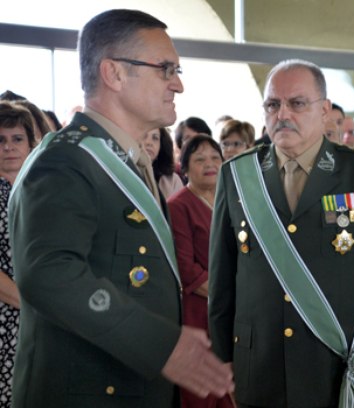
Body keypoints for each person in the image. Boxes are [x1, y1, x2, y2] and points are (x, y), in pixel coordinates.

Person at [8, 9, 233, 407]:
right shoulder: (66, 161)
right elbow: (49, 273)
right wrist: (162, 344)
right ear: (113, 74)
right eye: (166, 69)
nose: (177, 84)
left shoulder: (124, 162)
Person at [209, 59, 354, 407]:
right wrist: (223, 355)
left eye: (297, 103)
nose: (283, 114)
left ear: (325, 110)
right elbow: (223, 279)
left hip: (332, 359)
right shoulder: (238, 176)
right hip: (258, 361)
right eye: (273, 104)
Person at [168, 135, 233, 408]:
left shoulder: (231, 202)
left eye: (215, 158)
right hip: (198, 313)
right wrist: (229, 295)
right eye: (199, 159)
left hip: (233, 315)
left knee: (230, 391)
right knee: (200, 395)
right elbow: (186, 269)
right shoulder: (177, 205)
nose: (209, 164)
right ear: (184, 168)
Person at [0, 101, 37, 406]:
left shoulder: (40, 188)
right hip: (9, 316)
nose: (9, 147)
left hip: (42, 318)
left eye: (16, 139)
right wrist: (33, 307)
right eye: (0, 140)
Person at [143, 127, 184, 199]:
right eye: (144, 136)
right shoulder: (126, 172)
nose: (149, 143)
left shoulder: (172, 180)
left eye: (155, 138)